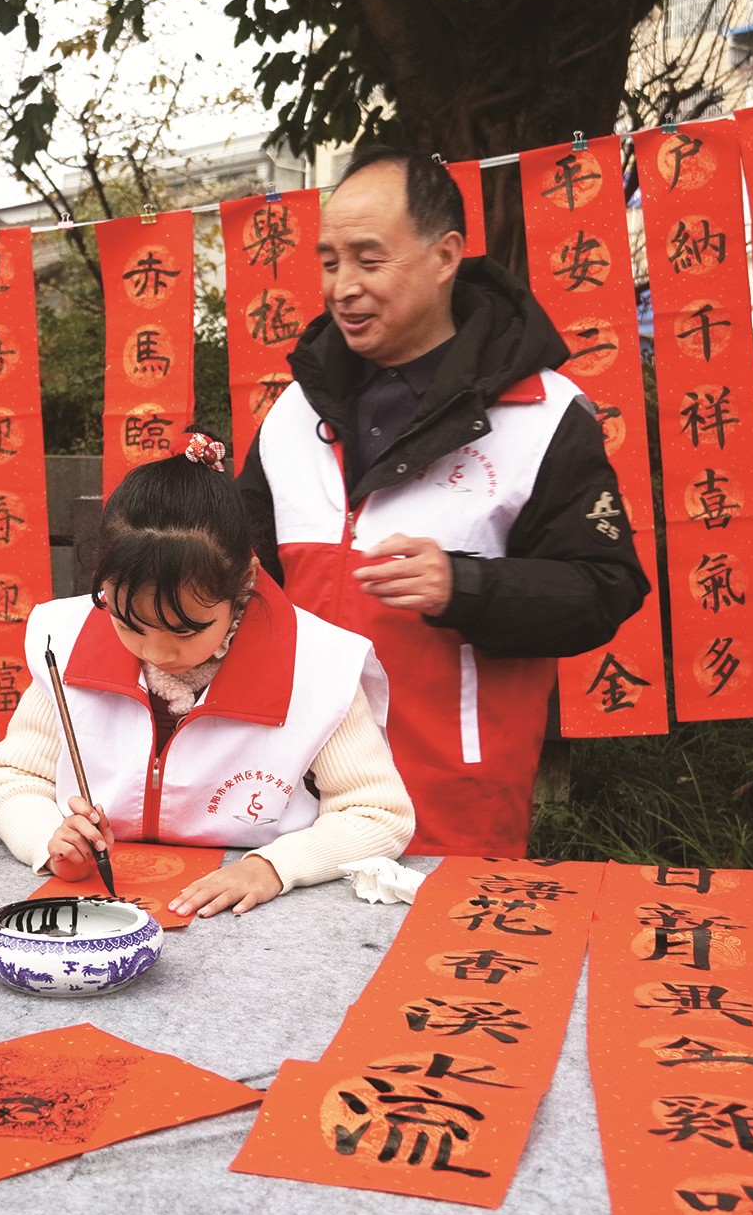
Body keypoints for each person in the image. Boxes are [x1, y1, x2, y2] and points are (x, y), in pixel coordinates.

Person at [237, 147, 647, 857]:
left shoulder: (543, 414)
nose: (343, 287)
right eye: (330, 262)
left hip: (448, 804)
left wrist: (465, 585)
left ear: (446, 256)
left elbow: (605, 587)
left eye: (369, 260)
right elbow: (242, 575)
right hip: (289, 796)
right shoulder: (294, 411)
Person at [0, 432, 415, 917]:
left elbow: (378, 815)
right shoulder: (64, 641)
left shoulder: (319, 665)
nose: (158, 652)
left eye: (186, 630)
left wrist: (273, 867)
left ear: (244, 582)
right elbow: (13, 778)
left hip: (256, 916)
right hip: (99, 904)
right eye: (129, 624)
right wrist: (49, 838)